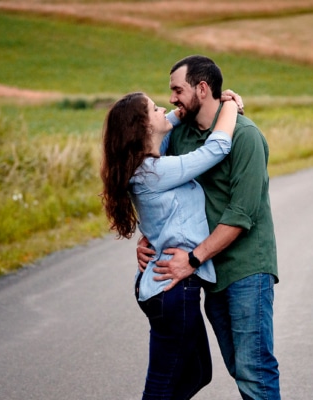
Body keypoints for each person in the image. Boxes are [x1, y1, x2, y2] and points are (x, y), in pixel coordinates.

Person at [137, 55, 281, 400]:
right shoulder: (180, 134)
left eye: (177, 90)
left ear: (202, 89)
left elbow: (240, 215)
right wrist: (148, 237)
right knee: (236, 365)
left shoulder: (245, 137)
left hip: (246, 267)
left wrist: (192, 260)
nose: (171, 99)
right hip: (210, 270)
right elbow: (153, 184)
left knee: (254, 369)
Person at [100, 91, 239, 399]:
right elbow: (216, 148)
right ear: (142, 128)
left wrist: (185, 108)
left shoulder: (148, 162)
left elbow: (171, 121)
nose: (164, 107)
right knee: (161, 386)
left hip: (169, 289)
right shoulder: (153, 171)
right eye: (154, 108)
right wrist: (231, 104)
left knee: (199, 372)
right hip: (172, 291)